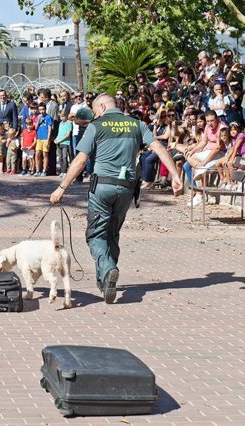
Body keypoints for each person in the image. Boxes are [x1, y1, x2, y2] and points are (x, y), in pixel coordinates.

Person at [50, 94, 182, 304]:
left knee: (95, 235)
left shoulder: (96, 126)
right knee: (112, 232)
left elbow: (81, 160)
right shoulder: (137, 124)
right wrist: (175, 176)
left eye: (95, 110)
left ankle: (108, 269)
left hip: (102, 187)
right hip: (127, 188)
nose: (95, 114)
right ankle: (105, 281)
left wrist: (61, 187)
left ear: (102, 106)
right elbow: (158, 147)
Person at [34, 102, 53, 176]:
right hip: (39, 138)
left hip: (45, 138)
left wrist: (48, 139)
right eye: (40, 110)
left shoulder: (48, 117)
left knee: (45, 154)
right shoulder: (38, 117)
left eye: (43, 109)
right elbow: (35, 127)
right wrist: (38, 120)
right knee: (38, 153)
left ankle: (44, 170)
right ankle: (38, 169)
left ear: (45, 109)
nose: (41, 111)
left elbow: (49, 128)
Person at [54, 110, 72, 178]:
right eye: (61, 117)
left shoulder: (69, 123)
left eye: (63, 116)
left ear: (66, 116)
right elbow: (59, 133)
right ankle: (62, 171)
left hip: (65, 143)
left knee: (64, 157)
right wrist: (56, 139)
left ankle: (65, 172)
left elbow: (67, 135)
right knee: (60, 157)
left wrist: (60, 140)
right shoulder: (60, 123)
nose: (62, 118)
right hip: (59, 142)